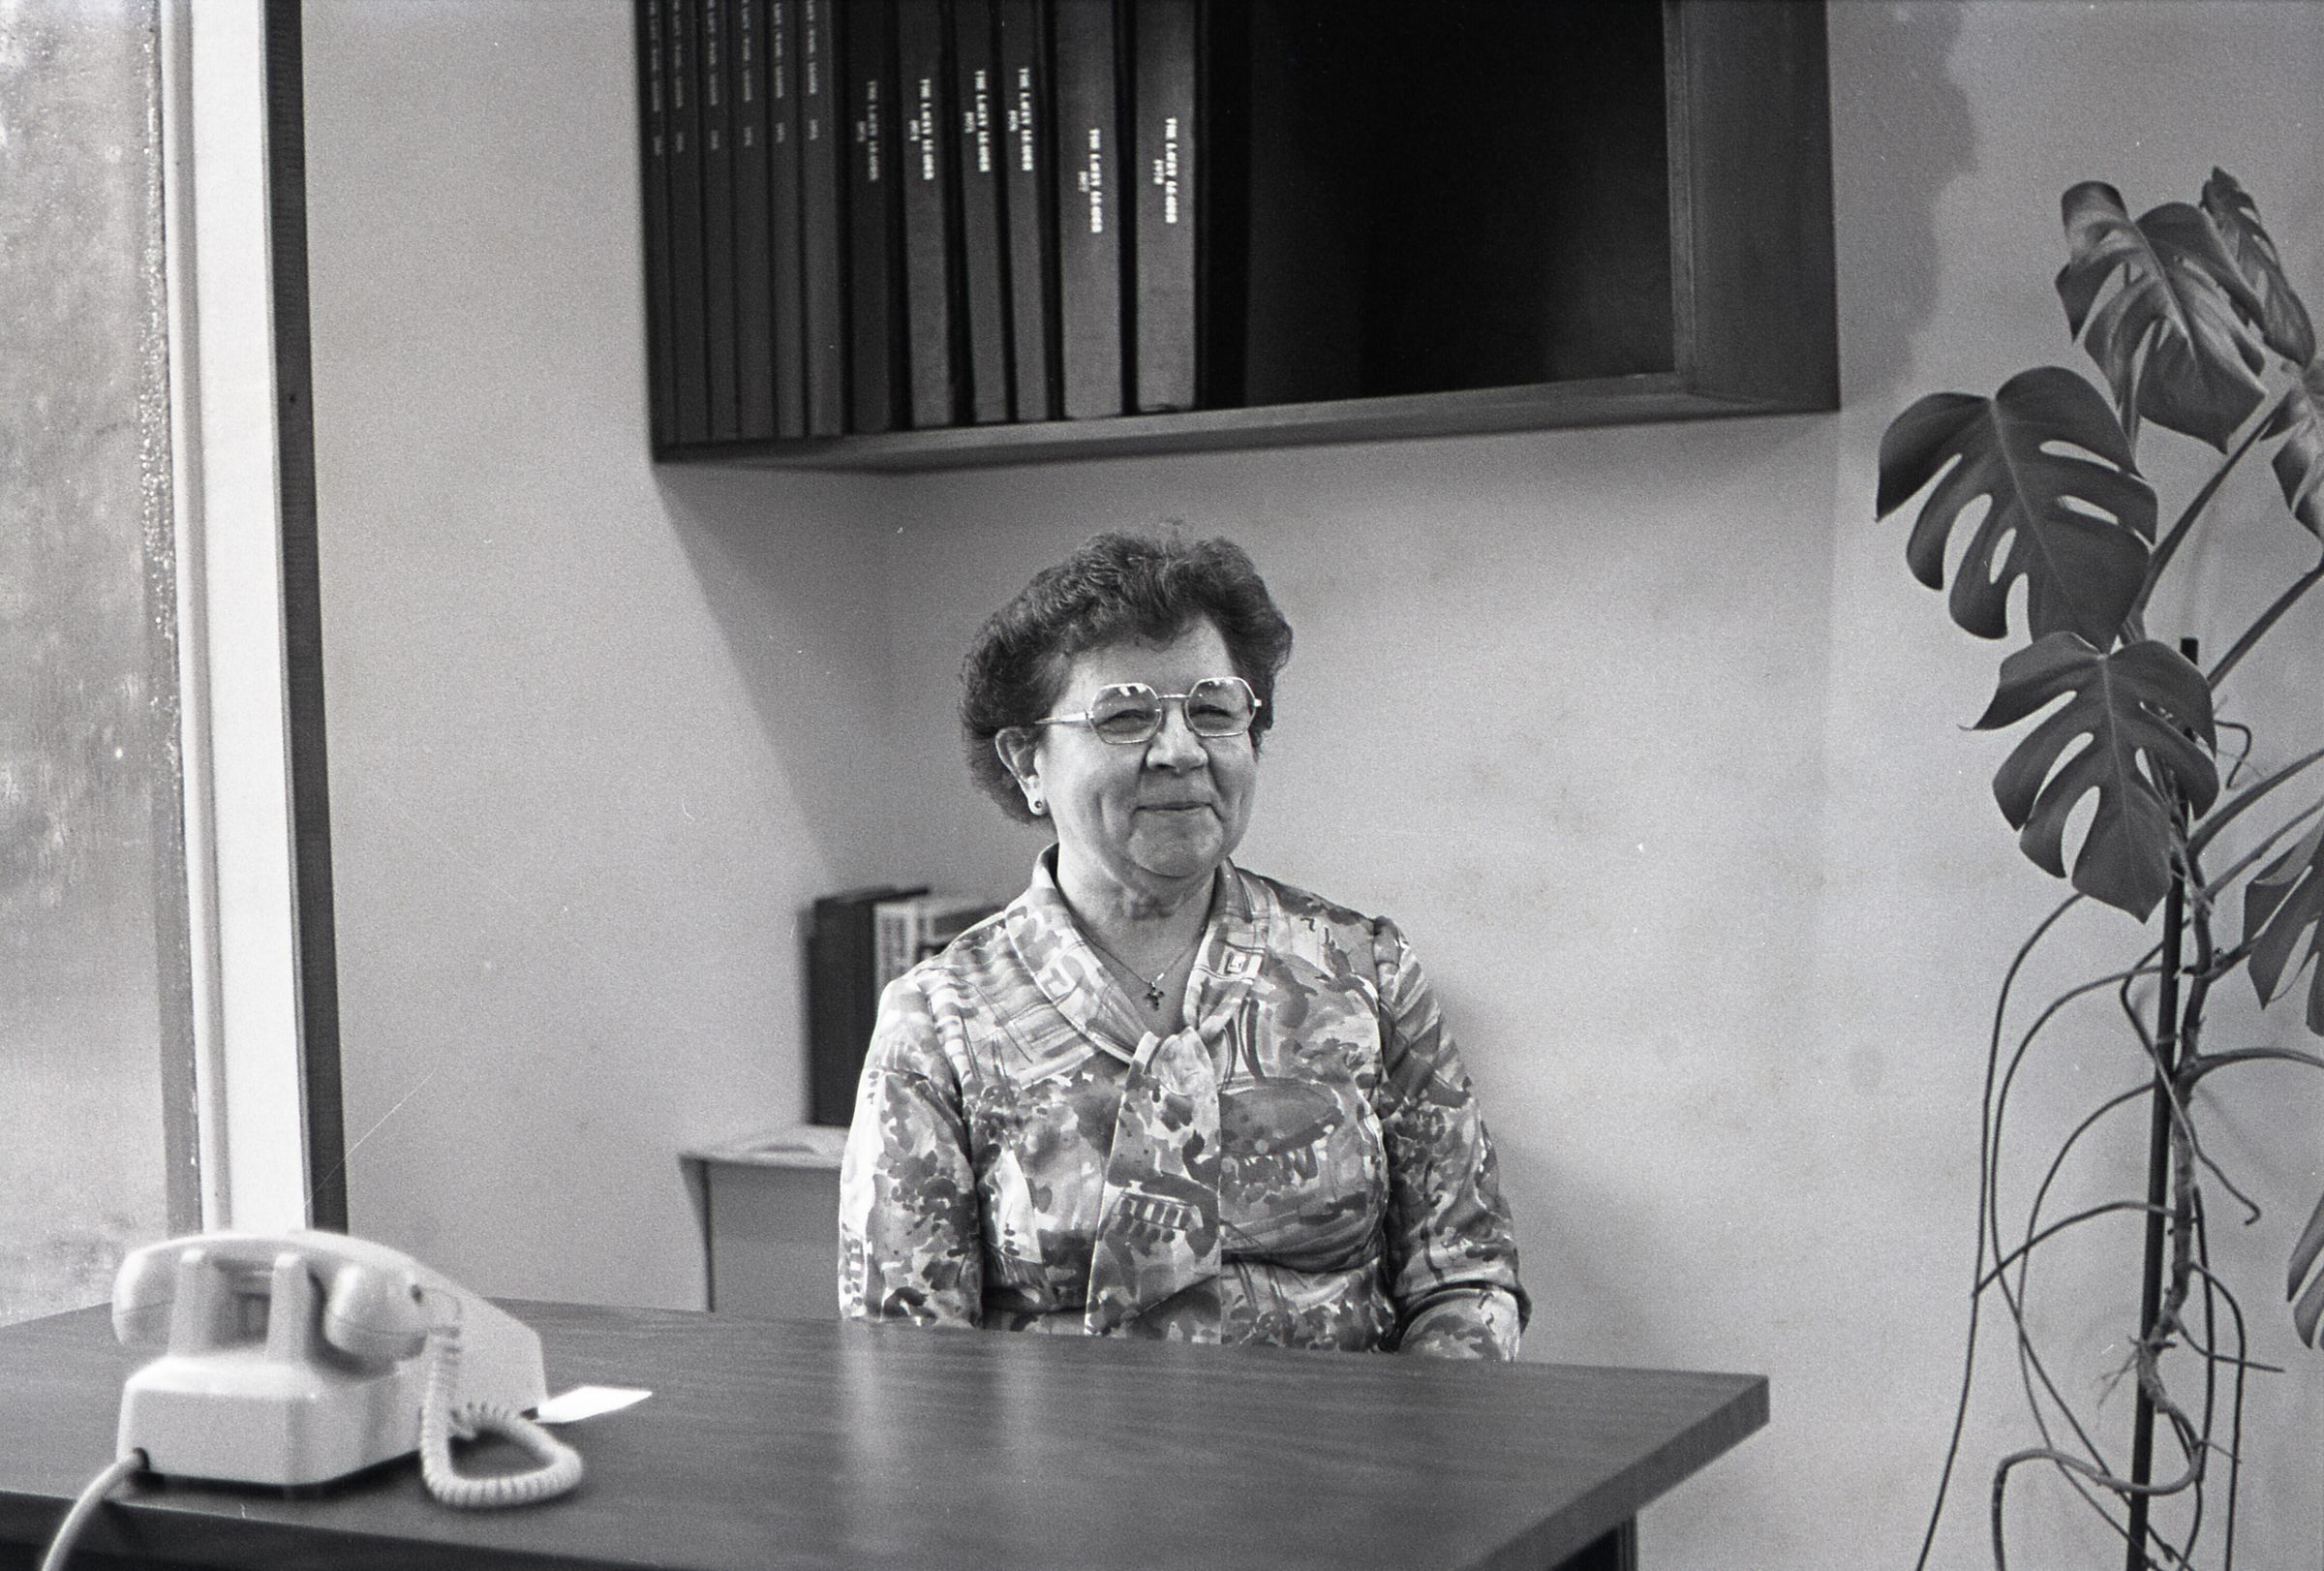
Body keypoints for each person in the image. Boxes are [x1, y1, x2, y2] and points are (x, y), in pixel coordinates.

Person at [838, 533, 1526, 1357]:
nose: (1180, 751)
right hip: (1061, 1445)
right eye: (1126, 717)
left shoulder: (1363, 970)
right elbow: (903, 1357)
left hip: (1343, 1441)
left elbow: (1465, 1276)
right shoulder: (939, 1020)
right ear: (1026, 762)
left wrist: (1419, 1432)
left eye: (1214, 711)